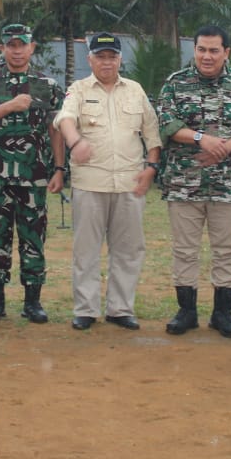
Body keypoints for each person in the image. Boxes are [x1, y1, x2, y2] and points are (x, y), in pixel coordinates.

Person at [156, 24, 231, 338]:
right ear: (195, 50)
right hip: (183, 182)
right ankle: (186, 311)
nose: (206, 56)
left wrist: (225, 147)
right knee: (185, 250)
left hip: (227, 184)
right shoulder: (175, 83)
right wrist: (202, 139)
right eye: (201, 49)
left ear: (226, 52)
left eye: (214, 50)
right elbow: (167, 122)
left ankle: (223, 313)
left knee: (226, 250)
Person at [55, 32, 161, 330]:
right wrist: (75, 143)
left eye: (111, 56)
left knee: (128, 250)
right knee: (86, 250)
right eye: (100, 56)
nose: (106, 61)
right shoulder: (78, 89)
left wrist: (151, 167)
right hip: (90, 183)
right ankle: (86, 310)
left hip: (130, 182)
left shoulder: (136, 91)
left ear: (120, 59)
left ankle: (120, 308)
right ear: (90, 59)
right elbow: (64, 119)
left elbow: (151, 133)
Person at [0, 23, 65, 322]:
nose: (17, 50)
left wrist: (60, 168)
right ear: (2, 48)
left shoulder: (47, 85)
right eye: (12, 45)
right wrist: (9, 105)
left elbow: (56, 129)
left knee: (33, 239)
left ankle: (33, 302)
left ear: (32, 48)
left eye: (23, 44)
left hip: (34, 178)